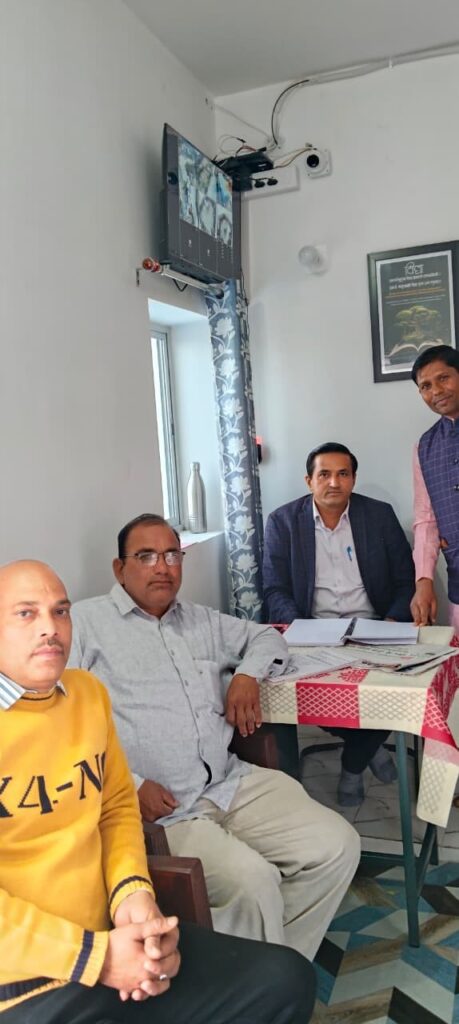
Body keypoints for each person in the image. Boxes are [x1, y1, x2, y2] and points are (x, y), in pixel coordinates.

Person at [0, 558, 316, 1024]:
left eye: (60, 611)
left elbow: (115, 809)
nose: (50, 628)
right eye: (26, 613)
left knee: (286, 979)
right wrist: (97, 958)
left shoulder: (85, 694)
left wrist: (133, 896)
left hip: (115, 939)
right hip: (25, 984)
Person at [69, 513, 360, 962]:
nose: (162, 567)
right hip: (167, 810)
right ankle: (261, 973)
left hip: (230, 782)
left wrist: (246, 675)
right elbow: (61, 724)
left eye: (172, 555)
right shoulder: (86, 625)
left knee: (338, 846)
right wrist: (127, 784)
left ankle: (279, 967)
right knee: (254, 881)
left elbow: (267, 638)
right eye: (146, 556)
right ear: (119, 568)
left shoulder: (200, 620)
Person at [263, 442, 415, 806]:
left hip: (374, 628)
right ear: (309, 480)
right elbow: (274, 588)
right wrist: (302, 628)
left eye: (343, 474)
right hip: (314, 631)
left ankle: (352, 764)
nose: (334, 482)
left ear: (354, 479)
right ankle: (367, 749)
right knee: (296, 693)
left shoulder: (378, 515)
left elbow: (404, 580)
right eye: (325, 474)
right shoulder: (283, 522)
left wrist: (391, 622)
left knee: (398, 691)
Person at [410, 344, 459, 634]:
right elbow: (426, 519)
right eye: (425, 386)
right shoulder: (424, 447)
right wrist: (424, 580)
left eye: (443, 378)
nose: (436, 391)